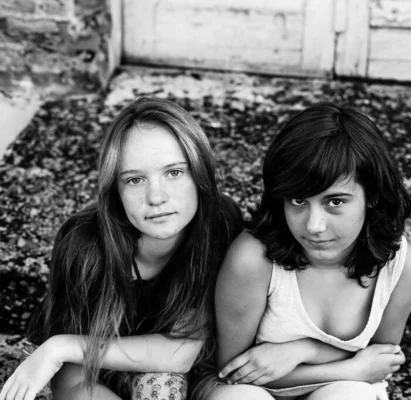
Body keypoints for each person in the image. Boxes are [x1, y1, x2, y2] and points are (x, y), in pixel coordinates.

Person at [0, 97, 242, 400]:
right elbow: (74, 382)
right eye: (135, 179)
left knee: (163, 382)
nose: (156, 197)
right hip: (95, 373)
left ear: (200, 173)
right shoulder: (85, 246)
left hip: (178, 376)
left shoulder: (218, 224)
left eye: (174, 173)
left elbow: (179, 353)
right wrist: (59, 349)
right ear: (116, 189)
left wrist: (60, 346)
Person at [202, 102, 411, 400]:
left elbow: (379, 364)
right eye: (298, 201)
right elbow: (234, 373)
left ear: (371, 196)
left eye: (335, 202)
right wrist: (350, 367)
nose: (314, 226)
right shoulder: (253, 258)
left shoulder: (399, 265)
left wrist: (302, 351)